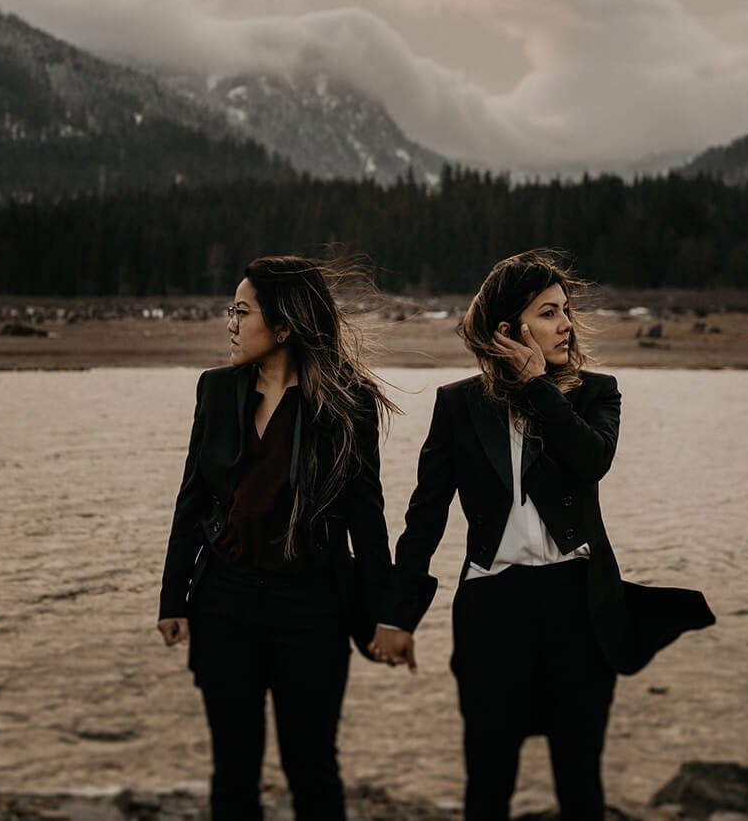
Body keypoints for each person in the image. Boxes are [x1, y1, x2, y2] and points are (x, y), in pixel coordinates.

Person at [372, 249, 714, 821]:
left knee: (579, 782)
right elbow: (425, 516)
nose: (567, 324)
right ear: (509, 329)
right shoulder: (457, 406)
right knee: (488, 780)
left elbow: (591, 461)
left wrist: (539, 389)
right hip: (491, 608)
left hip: (579, 604)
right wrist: (397, 616)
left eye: (566, 311)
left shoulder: (596, 394)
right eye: (550, 312)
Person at [157, 255, 400, 821]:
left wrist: (386, 617)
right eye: (230, 312)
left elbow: (367, 519)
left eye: (242, 312)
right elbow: (192, 498)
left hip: (311, 608)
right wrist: (174, 598)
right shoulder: (216, 390)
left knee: (312, 766)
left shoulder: (346, 402)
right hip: (223, 603)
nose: (231, 324)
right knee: (234, 770)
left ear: (284, 324)